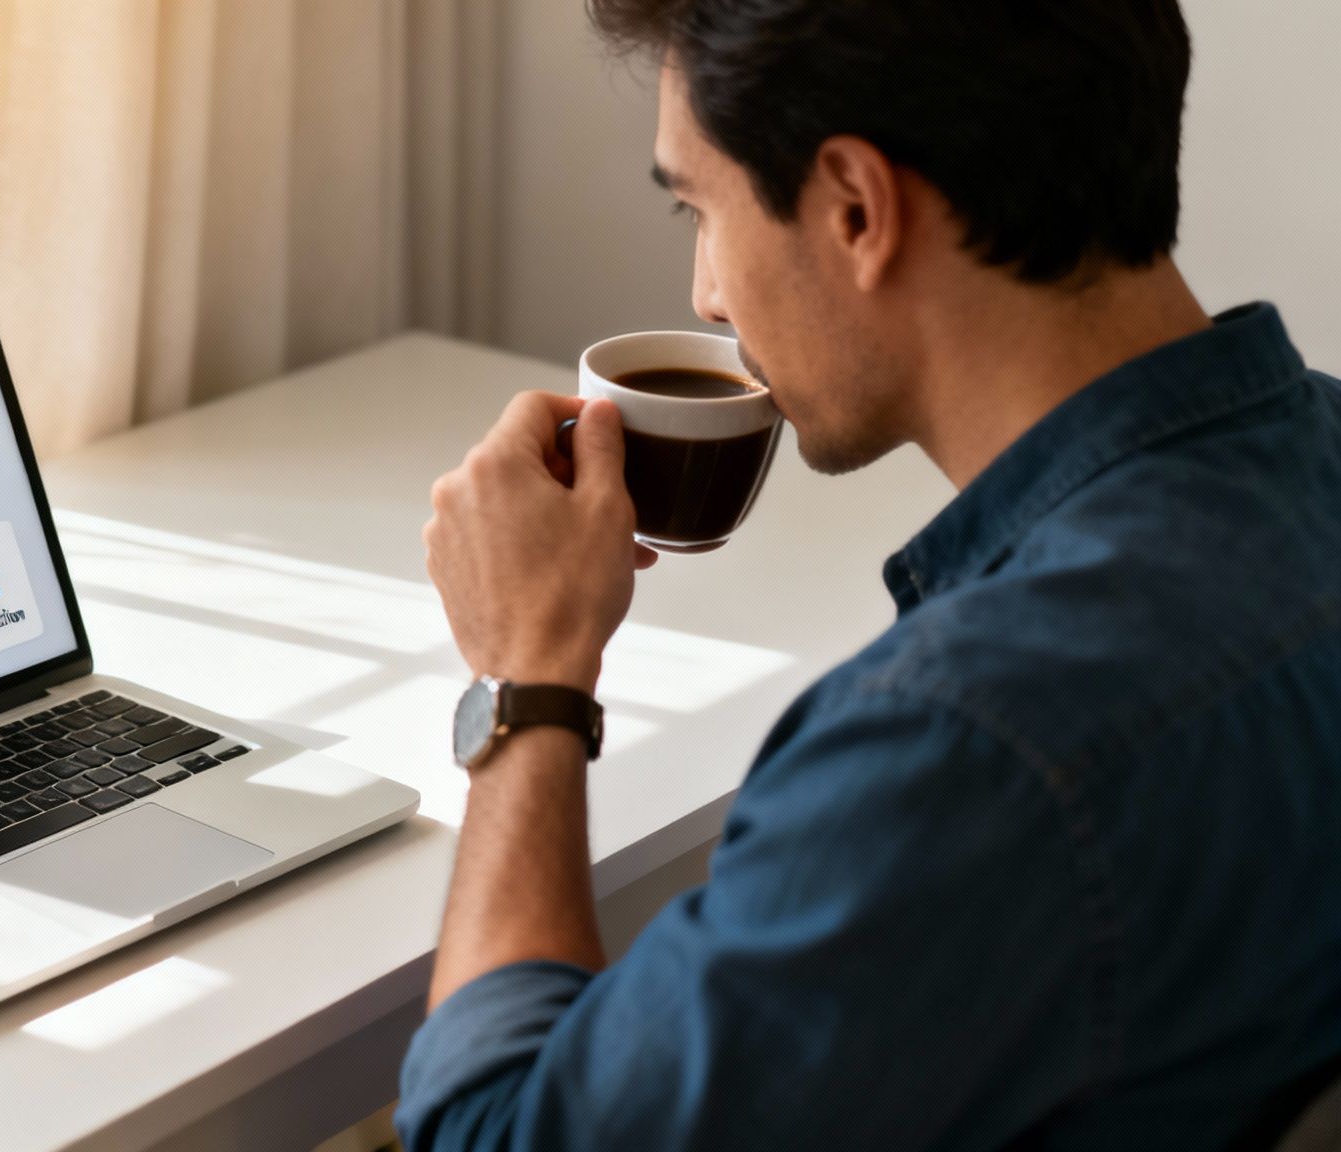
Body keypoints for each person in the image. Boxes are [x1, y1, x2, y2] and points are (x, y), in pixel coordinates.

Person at [399, 1, 1341, 1148]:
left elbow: (497, 1131)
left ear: (854, 207)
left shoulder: (964, 747)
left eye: (698, 209)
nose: (705, 294)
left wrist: (528, 673)